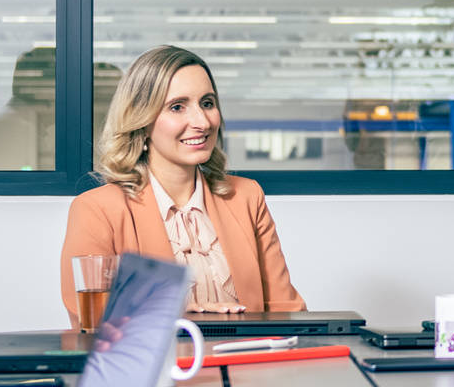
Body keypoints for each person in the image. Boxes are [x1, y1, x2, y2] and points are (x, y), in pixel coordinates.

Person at [59, 45, 305, 320]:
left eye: (207, 103)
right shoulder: (97, 209)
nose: (201, 121)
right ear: (141, 121)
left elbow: (286, 310)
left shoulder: (246, 196)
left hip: (246, 360)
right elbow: (89, 322)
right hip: (158, 362)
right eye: (177, 107)